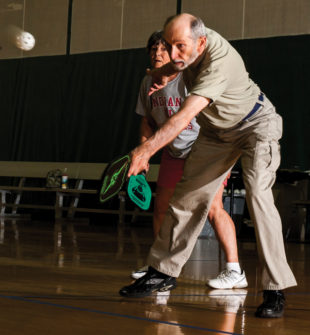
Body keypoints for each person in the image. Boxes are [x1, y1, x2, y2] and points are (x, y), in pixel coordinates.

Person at [120, 14, 297, 318]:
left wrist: (146, 150)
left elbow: (184, 116)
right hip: (217, 132)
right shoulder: (187, 49)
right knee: (186, 197)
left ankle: (274, 288)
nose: (175, 54)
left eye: (180, 47)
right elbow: (173, 66)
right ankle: (163, 272)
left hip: (256, 126)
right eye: (169, 46)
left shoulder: (219, 60)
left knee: (258, 196)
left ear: (200, 42)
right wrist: (161, 74)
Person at [132, 31, 247, 290]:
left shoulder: (190, 77)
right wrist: (144, 148)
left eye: (163, 49)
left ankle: (234, 269)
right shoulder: (147, 82)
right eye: (153, 49)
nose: (158, 54)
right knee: (161, 207)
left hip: (206, 148)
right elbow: (147, 120)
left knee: (213, 208)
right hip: (174, 152)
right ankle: (158, 266)